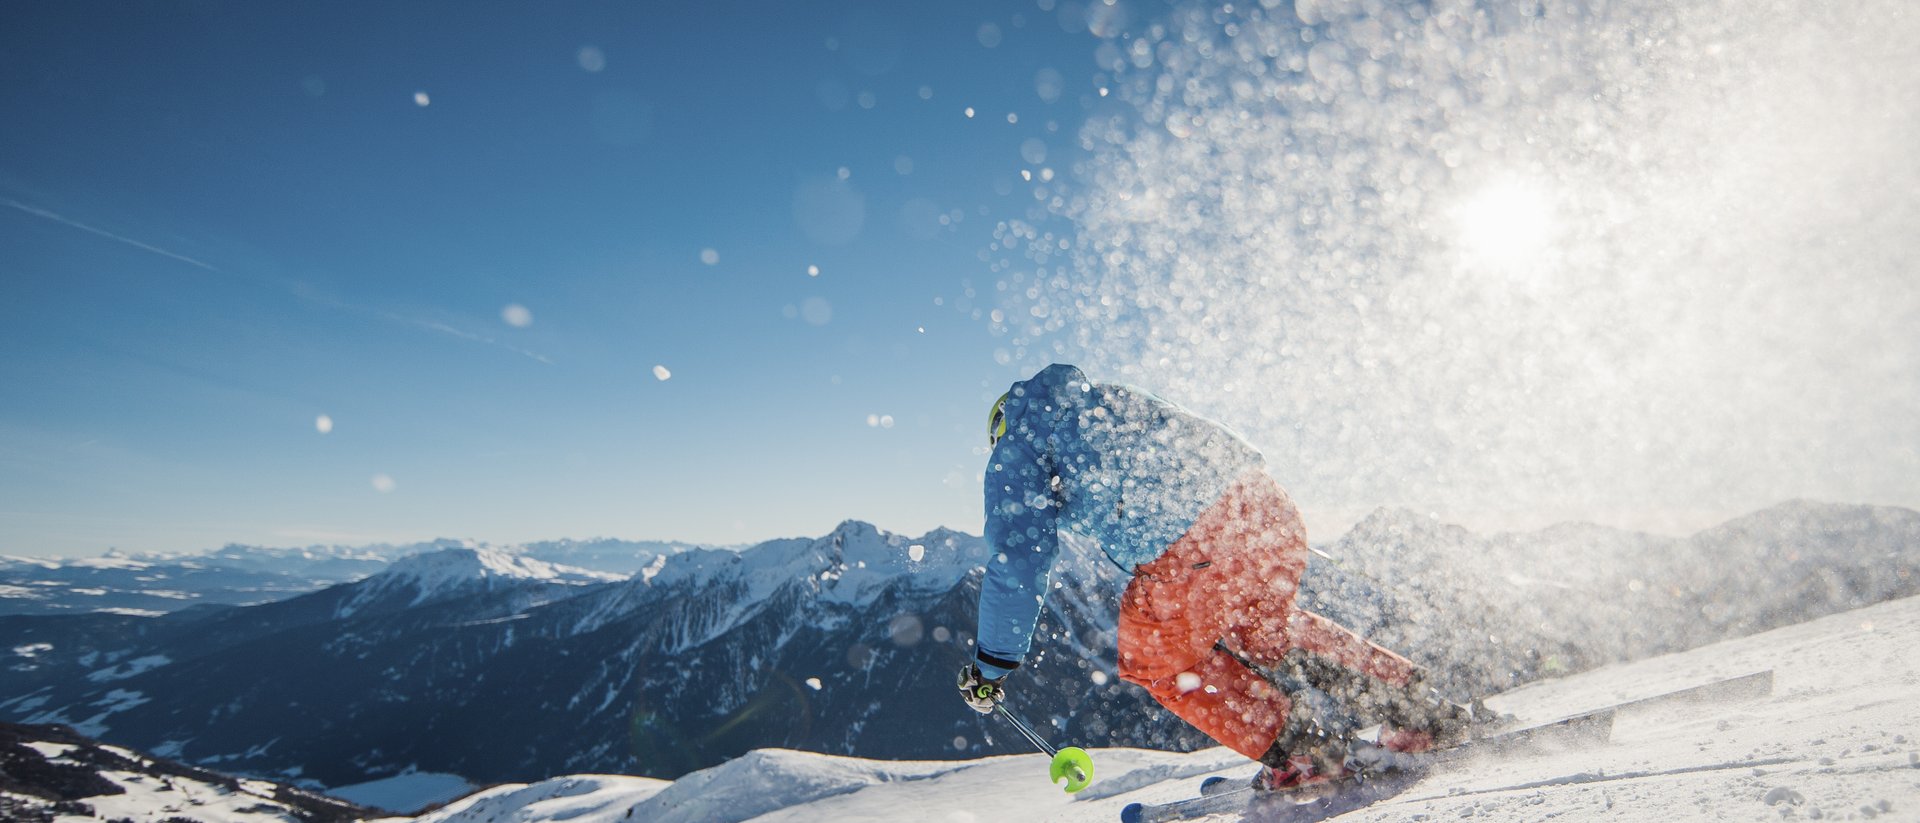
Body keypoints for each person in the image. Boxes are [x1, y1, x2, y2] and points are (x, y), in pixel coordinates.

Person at [956, 363, 1471, 790]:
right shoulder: (1105, 397)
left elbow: (1018, 561)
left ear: (998, 429)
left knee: (1154, 662)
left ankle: (1305, 753)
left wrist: (992, 665)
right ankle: (1418, 706)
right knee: (1266, 628)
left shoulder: (1016, 448)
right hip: (1266, 504)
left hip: (1192, 546)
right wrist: (1243, 518)